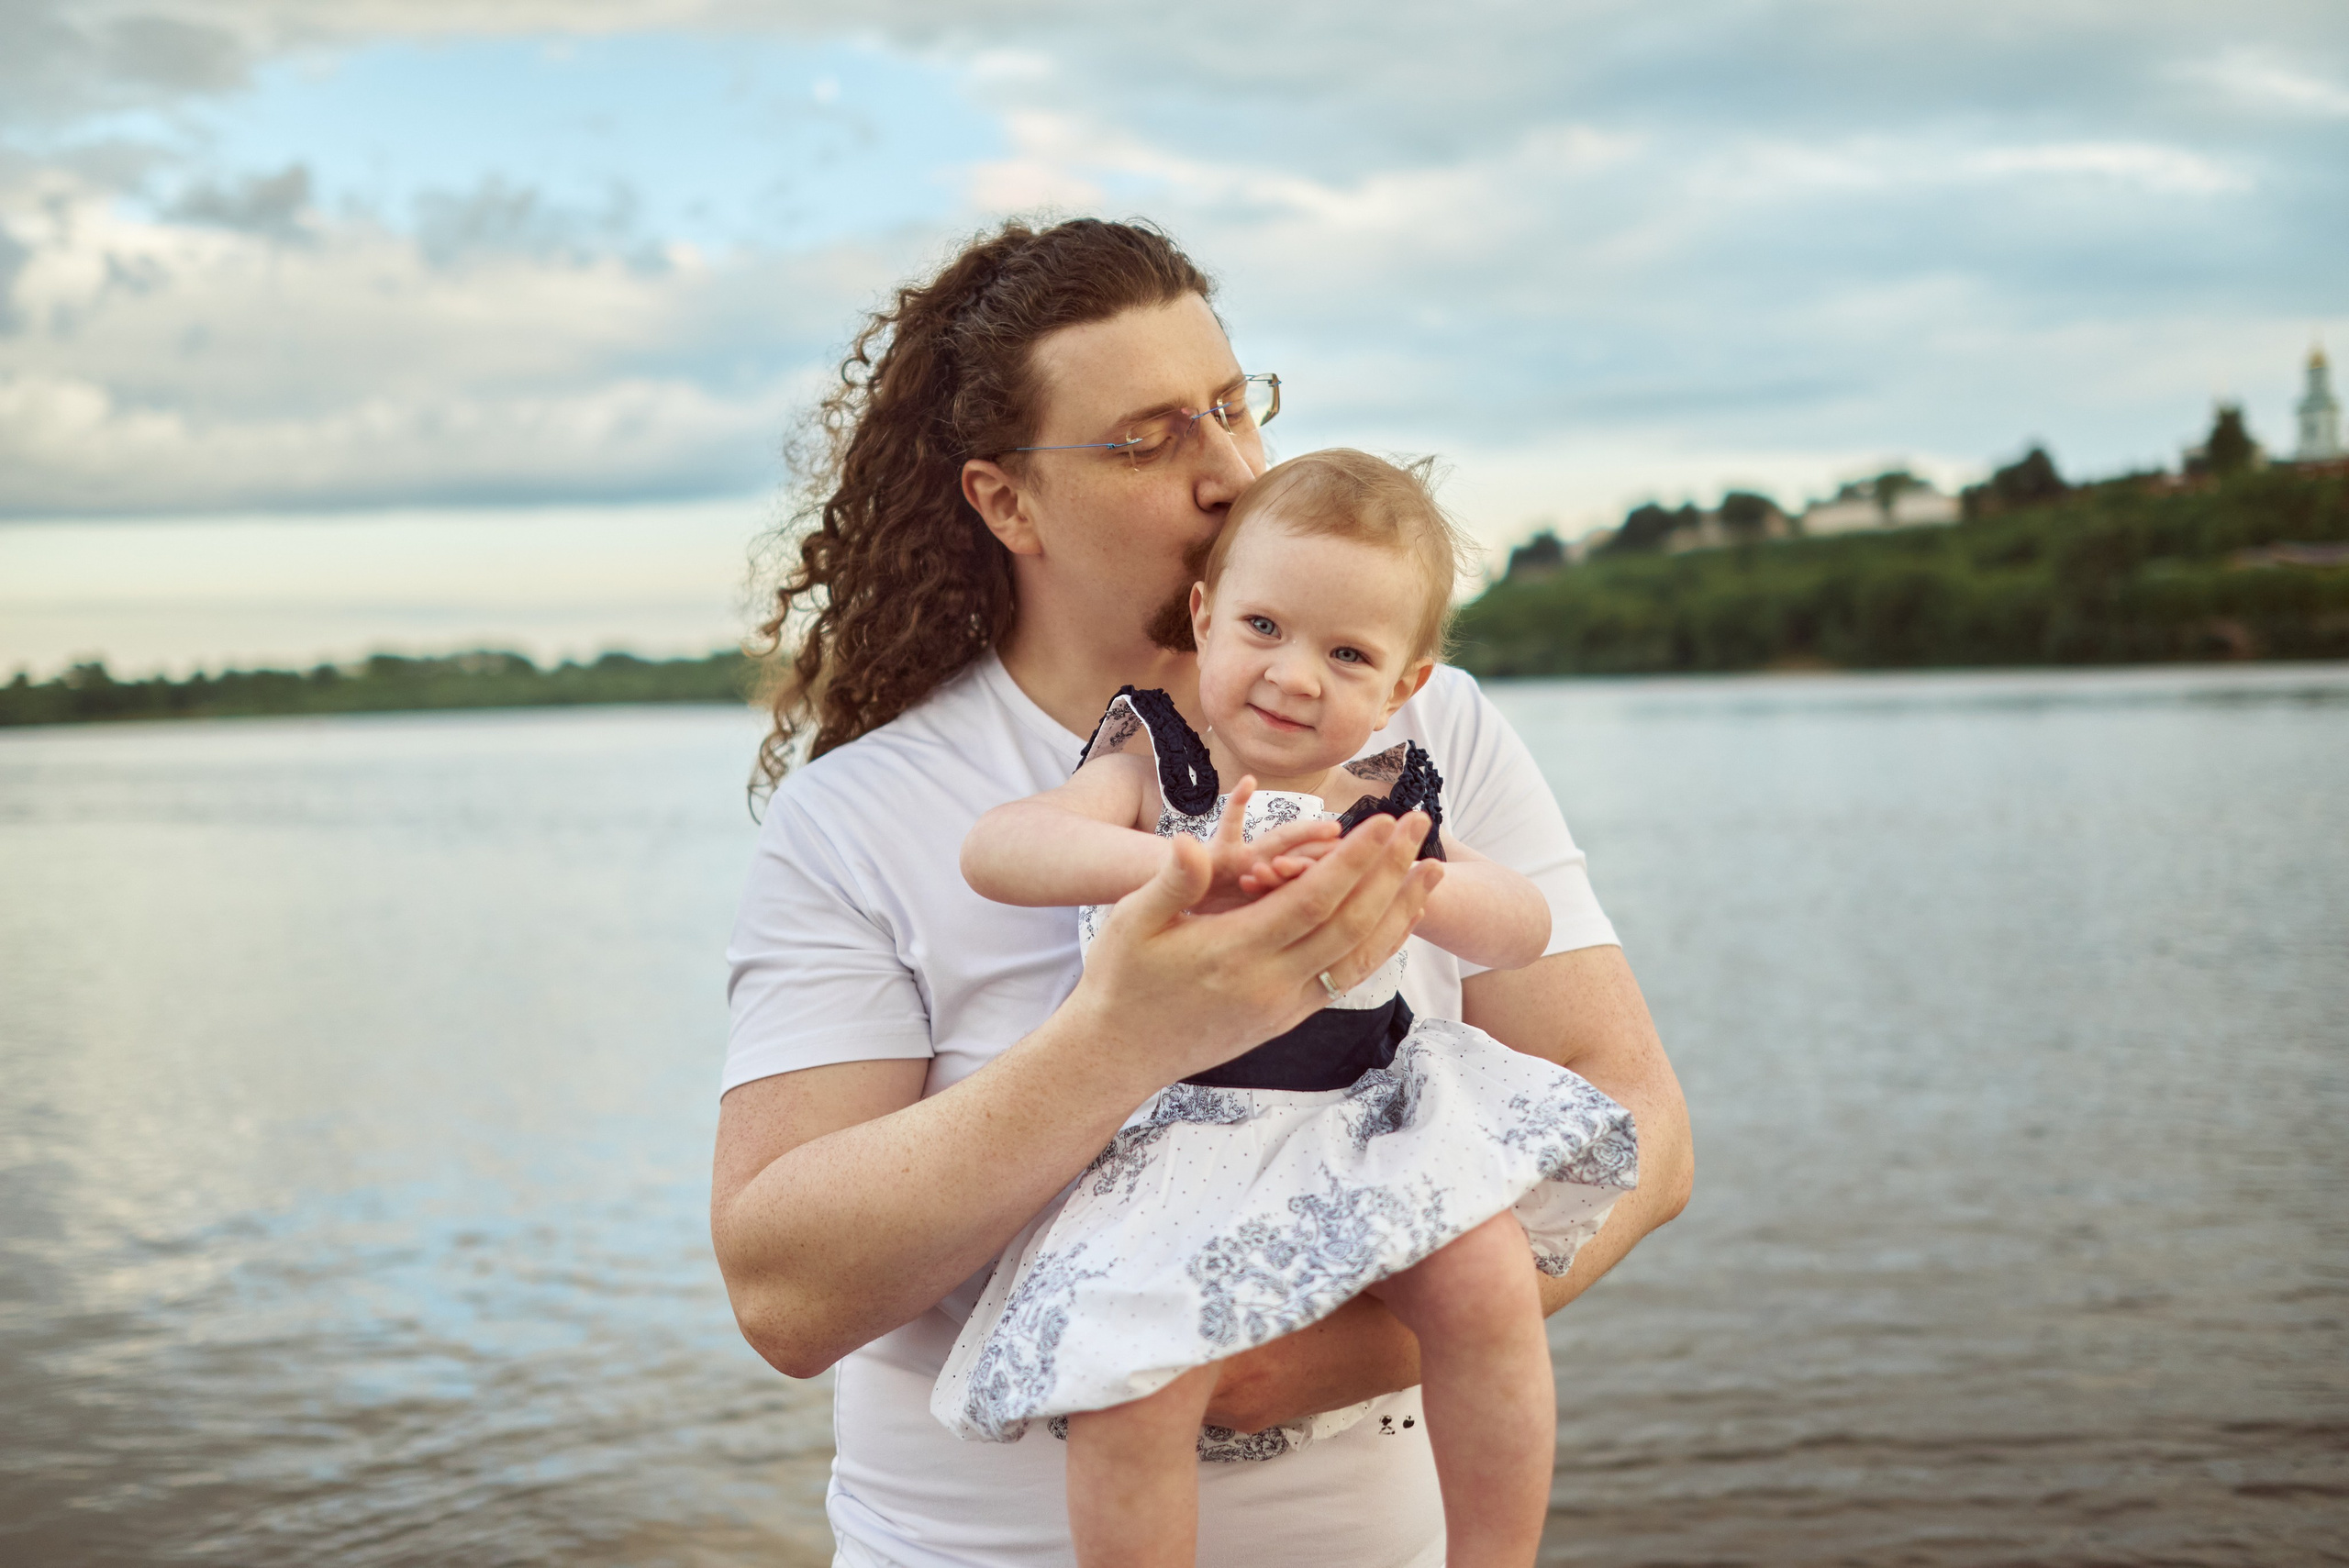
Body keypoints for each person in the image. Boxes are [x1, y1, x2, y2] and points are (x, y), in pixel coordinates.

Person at [713, 217, 1692, 1568]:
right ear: (1005, 503)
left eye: (1236, 406)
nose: (1234, 470)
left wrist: (1292, 1354)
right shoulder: (864, 813)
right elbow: (783, 1294)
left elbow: (1643, 1126)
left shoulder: (1422, 733)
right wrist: (1132, 1034)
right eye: (1149, 437)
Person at [933, 449, 1642, 1568]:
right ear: (1206, 619)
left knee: (1487, 1280)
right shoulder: (1154, 762)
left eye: (1346, 652)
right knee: (1131, 1384)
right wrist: (1169, 863)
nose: (1294, 673)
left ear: (1401, 685)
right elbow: (1000, 847)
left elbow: (1522, 926)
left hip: (1360, 1113)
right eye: (1264, 627)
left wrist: (1407, 875)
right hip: (1180, 1129)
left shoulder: (1382, 799)